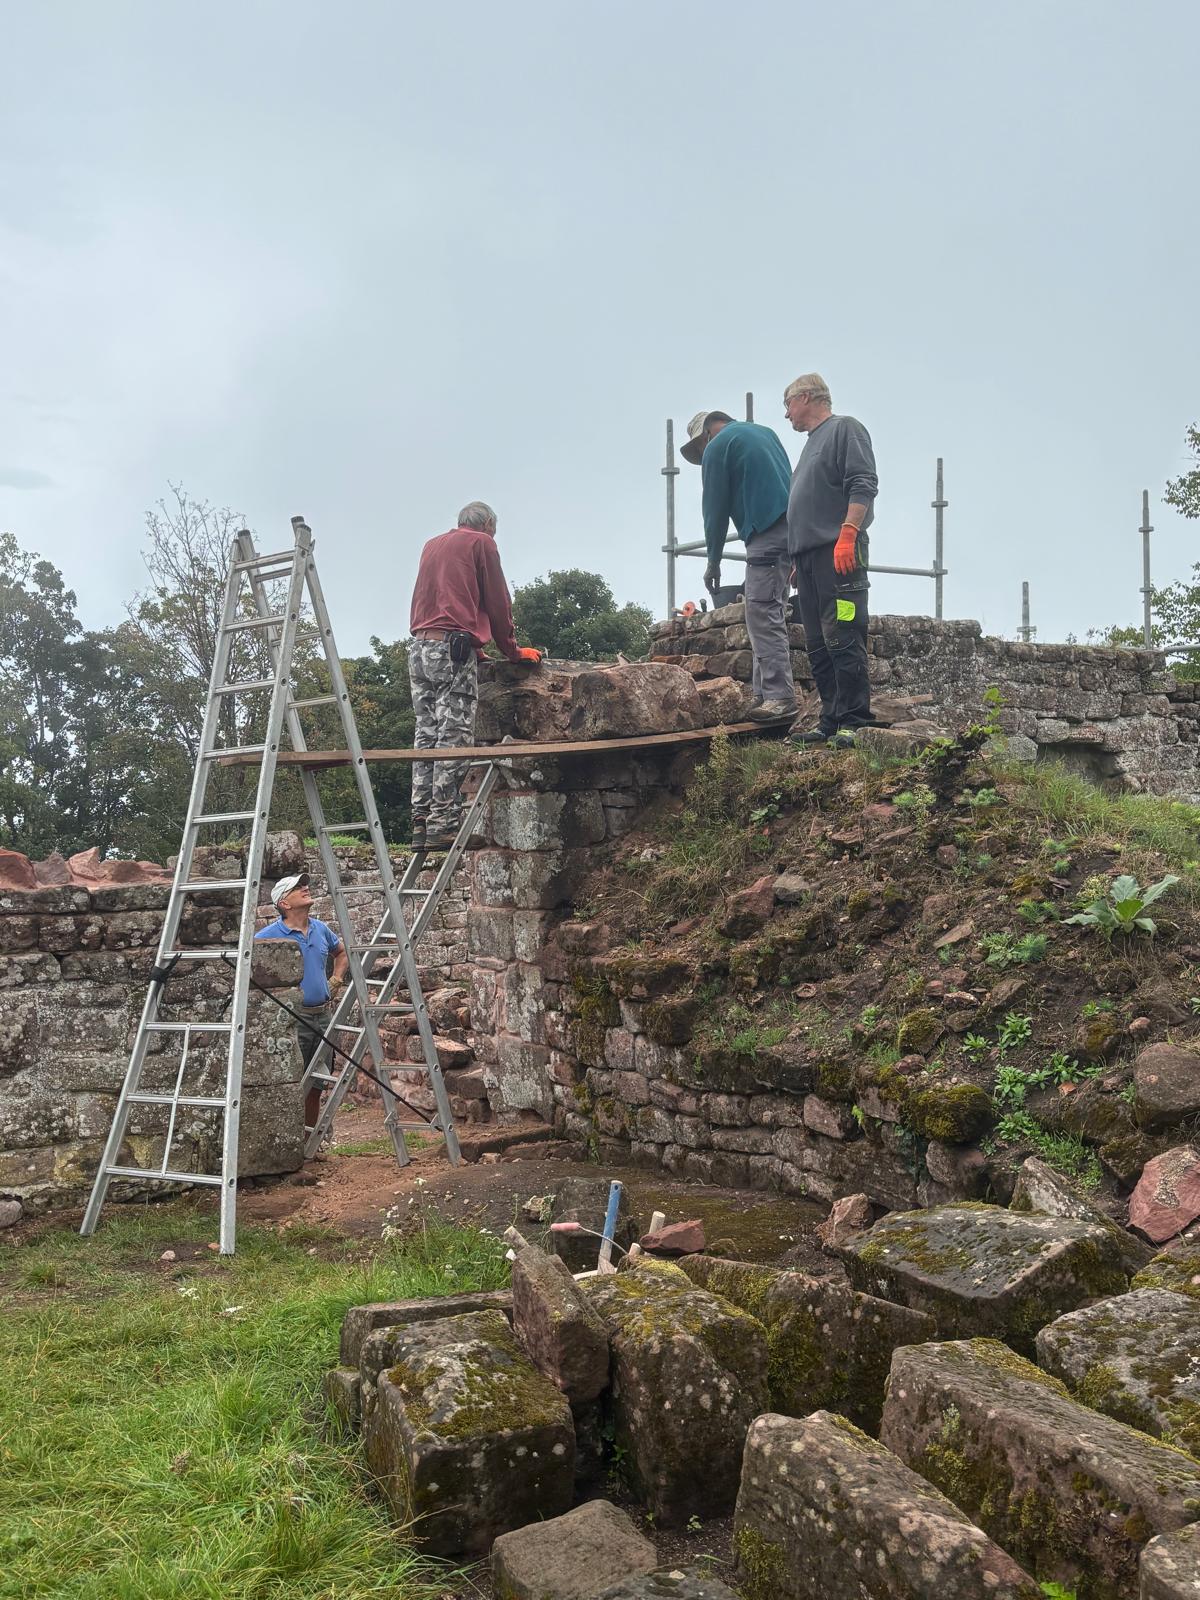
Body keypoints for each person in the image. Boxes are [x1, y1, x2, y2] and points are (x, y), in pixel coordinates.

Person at [409, 501, 541, 849]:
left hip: (420, 648)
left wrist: (475, 646)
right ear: (487, 525)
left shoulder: (432, 545)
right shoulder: (481, 543)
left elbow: (445, 599)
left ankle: (420, 821)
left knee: (426, 733)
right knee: (454, 734)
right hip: (452, 650)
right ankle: (443, 823)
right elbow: (497, 601)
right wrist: (511, 650)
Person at [681, 409, 796, 721]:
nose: (703, 455)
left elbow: (714, 510)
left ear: (706, 434)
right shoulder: (765, 432)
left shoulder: (717, 446)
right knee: (769, 611)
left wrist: (713, 561)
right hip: (792, 529)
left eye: (699, 449)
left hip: (765, 533)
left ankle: (779, 697)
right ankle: (763, 695)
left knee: (761, 614)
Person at [783, 373, 879, 748]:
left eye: (788, 403)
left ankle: (854, 720)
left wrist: (849, 532)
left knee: (843, 632)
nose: (787, 413)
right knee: (818, 643)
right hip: (808, 560)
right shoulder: (811, 445)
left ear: (806, 397)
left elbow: (863, 482)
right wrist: (798, 556)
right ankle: (830, 721)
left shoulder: (845, 429)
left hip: (838, 555)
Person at [255, 873, 348, 1131]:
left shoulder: (320, 929)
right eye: (298, 888)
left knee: (317, 1082)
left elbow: (341, 953)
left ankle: (308, 1141)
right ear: (284, 903)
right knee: (292, 1082)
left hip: (323, 1016)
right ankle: (291, 1140)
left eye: (304, 885)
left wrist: (336, 980)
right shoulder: (267, 937)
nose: (305, 888)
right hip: (293, 1019)